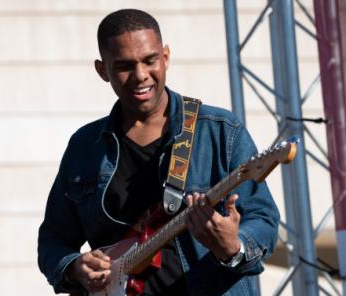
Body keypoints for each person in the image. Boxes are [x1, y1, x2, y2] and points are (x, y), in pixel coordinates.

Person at [38, 8, 280, 296]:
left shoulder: (221, 131)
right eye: (125, 66)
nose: (140, 75)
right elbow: (53, 239)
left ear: (165, 57)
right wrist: (74, 266)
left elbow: (263, 220)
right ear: (103, 70)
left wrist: (233, 248)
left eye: (150, 60)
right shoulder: (84, 146)